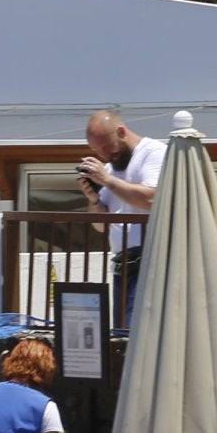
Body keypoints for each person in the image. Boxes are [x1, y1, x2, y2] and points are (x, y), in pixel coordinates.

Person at [77, 110, 165, 327]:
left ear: (121, 131)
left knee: (135, 331)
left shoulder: (153, 153)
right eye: (98, 151)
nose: (105, 155)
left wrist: (107, 180)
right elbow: (100, 226)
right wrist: (94, 199)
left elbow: (151, 200)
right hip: (122, 263)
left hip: (149, 259)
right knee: (122, 332)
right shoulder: (110, 168)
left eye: (107, 147)